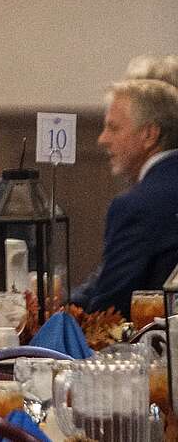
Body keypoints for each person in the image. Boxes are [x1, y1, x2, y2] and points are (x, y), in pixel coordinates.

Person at [71, 78, 178, 316]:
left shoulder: (137, 206)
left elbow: (108, 310)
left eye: (113, 127)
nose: (102, 139)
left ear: (149, 134)